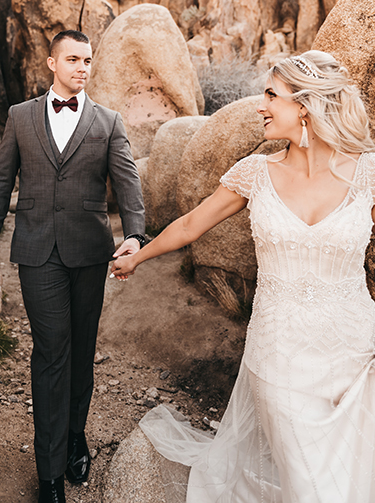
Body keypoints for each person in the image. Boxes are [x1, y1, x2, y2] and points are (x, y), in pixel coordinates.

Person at [111, 50, 375, 502]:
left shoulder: (368, 173)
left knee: (352, 468)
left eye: (272, 95)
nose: (260, 105)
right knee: (309, 476)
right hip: (279, 351)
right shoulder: (256, 173)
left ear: (305, 107)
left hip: (356, 351)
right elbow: (191, 225)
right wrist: (138, 255)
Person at [0, 29, 145, 503]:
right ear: (52, 63)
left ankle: (76, 435)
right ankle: (49, 474)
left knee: (82, 348)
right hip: (35, 252)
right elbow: (0, 179)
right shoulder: (20, 116)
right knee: (52, 352)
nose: (82, 68)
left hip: (90, 253)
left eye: (87, 60)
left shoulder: (108, 122)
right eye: (72, 59)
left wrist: (133, 234)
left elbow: (128, 184)